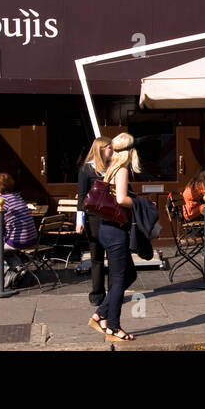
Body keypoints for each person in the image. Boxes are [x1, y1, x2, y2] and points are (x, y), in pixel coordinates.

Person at [90, 133, 140, 342]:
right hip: (115, 232)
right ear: (130, 151)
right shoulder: (122, 169)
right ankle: (113, 326)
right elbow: (120, 199)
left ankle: (100, 314)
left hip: (106, 228)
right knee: (119, 279)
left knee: (129, 275)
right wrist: (140, 203)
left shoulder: (110, 168)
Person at [0, 172, 38, 287]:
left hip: (17, 240)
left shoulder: (3, 200)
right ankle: (20, 271)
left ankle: (5, 275)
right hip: (31, 238)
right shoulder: (16, 196)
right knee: (1, 250)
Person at [76, 136, 113, 306]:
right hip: (94, 218)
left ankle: (114, 292)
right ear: (100, 149)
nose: (112, 151)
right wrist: (80, 219)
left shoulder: (114, 167)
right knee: (97, 256)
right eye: (109, 148)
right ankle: (97, 293)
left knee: (113, 255)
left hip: (113, 216)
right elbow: (82, 196)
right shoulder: (86, 170)